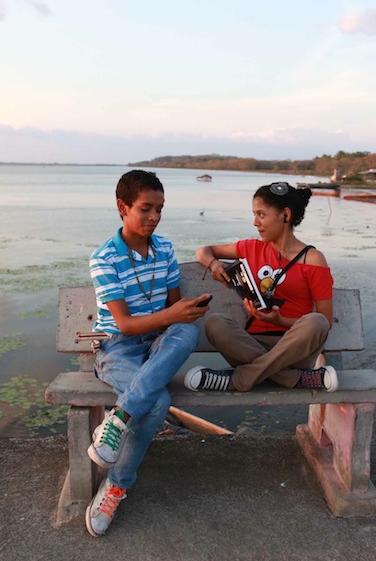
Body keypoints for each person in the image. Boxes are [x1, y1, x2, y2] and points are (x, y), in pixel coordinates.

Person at [85, 169, 211, 537]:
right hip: (118, 349)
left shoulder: (166, 249)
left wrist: (184, 312)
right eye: (145, 209)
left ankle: (118, 419)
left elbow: (175, 314)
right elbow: (123, 325)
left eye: (159, 209)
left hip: (158, 346)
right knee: (156, 404)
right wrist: (171, 314)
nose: (154, 217)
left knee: (186, 330)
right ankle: (117, 486)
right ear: (122, 207)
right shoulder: (104, 258)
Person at [187, 181, 337, 393]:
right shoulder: (251, 248)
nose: (255, 222)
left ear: (285, 215)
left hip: (294, 348)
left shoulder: (312, 259)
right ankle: (293, 379)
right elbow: (204, 250)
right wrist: (214, 264)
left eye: (261, 214)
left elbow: (327, 321)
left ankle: (239, 380)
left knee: (317, 322)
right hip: (250, 345)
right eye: (254, 214)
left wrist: (280, 320)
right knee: (214, 323)